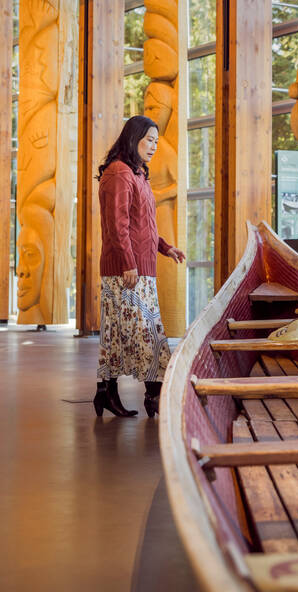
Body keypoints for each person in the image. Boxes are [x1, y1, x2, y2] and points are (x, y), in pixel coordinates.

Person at [93, 116, 186, 418]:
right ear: (133, 138)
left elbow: (141, 225)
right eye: (149, 139)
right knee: (148, 335)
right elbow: (117, 225)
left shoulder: (137, 174)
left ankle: (106, 392)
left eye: (157, 141)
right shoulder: (119, 173)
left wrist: (165, 247)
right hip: (126, 272)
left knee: (120, 334)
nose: (154, 146)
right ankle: (153, 397)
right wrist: (128, 263)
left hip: (138, 271)